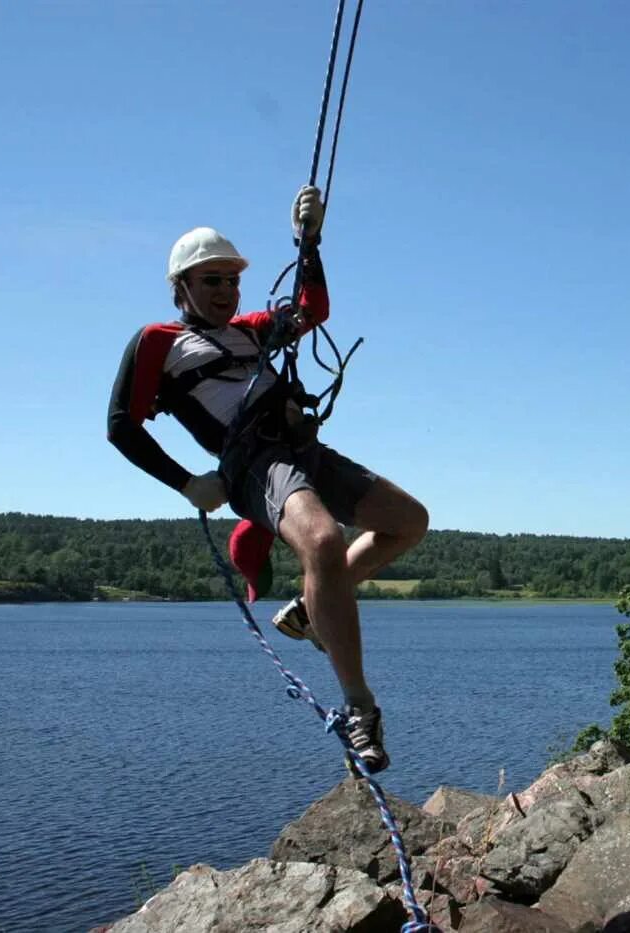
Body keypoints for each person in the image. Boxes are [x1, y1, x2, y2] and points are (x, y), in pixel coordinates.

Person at [106, 186, 428, 772]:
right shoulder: (159, 341)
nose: (226, 291)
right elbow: (120, 426)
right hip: (252, 463)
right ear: (181, 287)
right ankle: (361, 706)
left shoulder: (253, 331)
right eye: (211, 281)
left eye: (232, 280)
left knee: (408, 521)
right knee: (324, 540)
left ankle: (311, 607)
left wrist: (310, 242)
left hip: (300, 447)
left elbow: (311, 310)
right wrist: (185, 483)